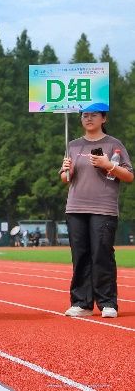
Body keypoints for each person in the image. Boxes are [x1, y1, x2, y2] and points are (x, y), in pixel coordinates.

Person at [59, 111, 133, 319]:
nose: (89, 119)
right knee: (80, 256)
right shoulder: (73, 145)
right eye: (85, 116)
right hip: (75, 208)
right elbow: (65, 178)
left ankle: (107, 302)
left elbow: (129, 175)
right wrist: (66, 170)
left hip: (103, 208)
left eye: (94, 115)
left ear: (104, 118)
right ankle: (81, 303)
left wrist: (109, 165)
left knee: (102, 254)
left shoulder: (113, 144)